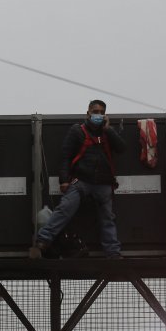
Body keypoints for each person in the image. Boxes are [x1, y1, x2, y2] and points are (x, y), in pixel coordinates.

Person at [31, 99, 125, 259]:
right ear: (88, 113)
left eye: (102, 112)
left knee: (107, 218)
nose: (98, 115)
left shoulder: (107, 132)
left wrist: (108, 129)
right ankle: (42, 242)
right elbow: (66, 156)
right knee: (64, 209)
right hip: (81, 181)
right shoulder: (77, 130)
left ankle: (113, 253)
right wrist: (64, 180)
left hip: (103, 184)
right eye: (95, 111)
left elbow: (121, 148)